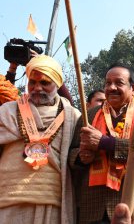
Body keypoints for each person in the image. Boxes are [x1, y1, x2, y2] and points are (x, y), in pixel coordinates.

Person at [69, 63, 134, 223]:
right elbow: (71, 152)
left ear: (133, 88)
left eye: (119, 83)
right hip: (93, 206)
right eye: (108, 83)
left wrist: (105, 142)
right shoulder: (88, 114)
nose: (111, 87)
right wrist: (81, 157)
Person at [0, 55, 81, 223]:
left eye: (44, 83)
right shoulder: (7, 111)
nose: (37, 88)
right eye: (32, 82)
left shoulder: (72, 115)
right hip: (8, 198)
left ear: (57, 84)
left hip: (50, 198)